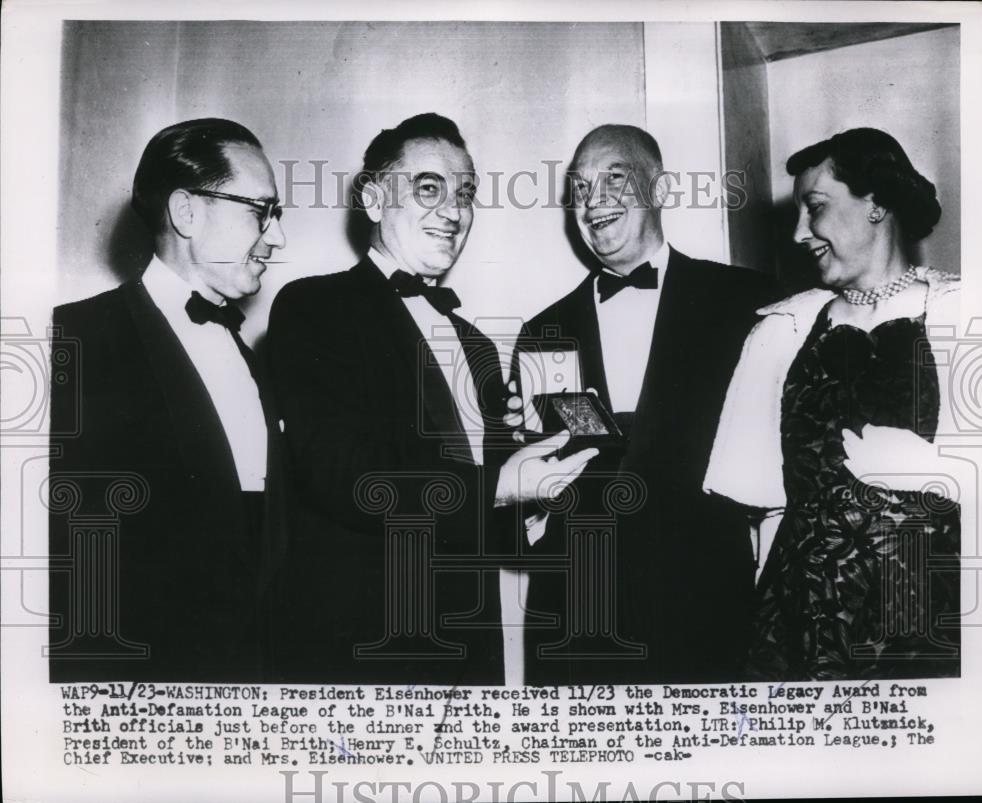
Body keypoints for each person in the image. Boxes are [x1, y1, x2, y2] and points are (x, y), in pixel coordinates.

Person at [266, 113, 594, 685]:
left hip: (469, 653)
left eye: (465, 194)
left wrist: (537, 490)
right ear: (373, 200)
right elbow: (344, 475)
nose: (454, 212)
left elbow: (491, 521)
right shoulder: (314, 307)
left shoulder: (480, 346)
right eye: (428, 188)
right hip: (362, 651)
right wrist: (501, 484)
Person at [510, 124, 777, 684]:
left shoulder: (747, 303)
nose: (593, 201)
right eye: (580, 188)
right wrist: (521, 457)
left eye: (614, 177)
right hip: (576, 619)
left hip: (706, 613)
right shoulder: (542, 330)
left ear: (660, 188)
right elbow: (530, 499)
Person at [704, 127, 961, 680]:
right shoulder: (783, 330)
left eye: (815, 208)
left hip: (926, 623)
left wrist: (937, 471)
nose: (799, 232)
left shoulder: (963, 315)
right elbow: (768, 506)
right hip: (801, 624)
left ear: (877, 204)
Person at [48, 118, 287, 682]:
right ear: (186, 212)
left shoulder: (256, 358)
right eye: (261, 211)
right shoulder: (75, 339)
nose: (277, 237)